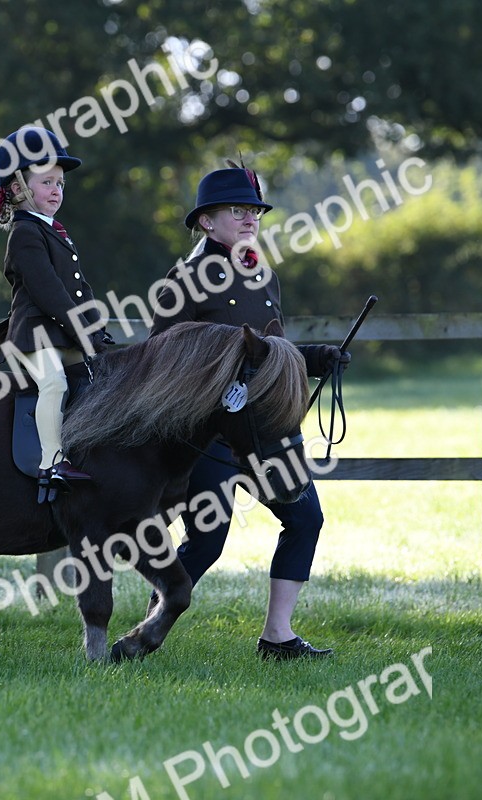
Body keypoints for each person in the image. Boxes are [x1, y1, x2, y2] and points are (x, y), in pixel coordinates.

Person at [148, 163, 348, 660]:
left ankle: (278, 636)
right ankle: (149, 628)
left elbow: (271, 351)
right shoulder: (183, 280)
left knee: (305, 518)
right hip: (211, 435)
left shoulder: (265, 277)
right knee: (208, 540)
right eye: (237, 210)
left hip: (266, 433)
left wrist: (314, 357)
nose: (250, 218)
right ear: (206, 221)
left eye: (254, 211)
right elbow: (160, 357)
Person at [0, 126, 111, 501]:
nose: (56, 190)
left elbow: (79, 287)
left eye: (60, 184)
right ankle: (52, 461)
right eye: (47, 182)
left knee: (98, 382)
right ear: (18, 189)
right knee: (55, 384)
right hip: (34, 338)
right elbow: (49, 292)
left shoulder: (57, 233)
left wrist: (94, 325)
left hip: (63, 334)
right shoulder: (24, 234)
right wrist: (82, 329)